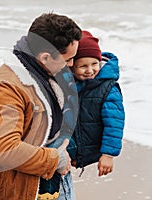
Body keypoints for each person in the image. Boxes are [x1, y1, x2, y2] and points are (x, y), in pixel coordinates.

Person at [0, 13, 82, 200]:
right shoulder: (7, 88)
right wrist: (56, 159)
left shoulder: (41, 69)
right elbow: (6, 150)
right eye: (67, 59)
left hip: (51, 180)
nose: (71, 65)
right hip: (21, 189)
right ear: (45, 57)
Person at [39, 30, 125, 199]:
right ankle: (49, 193)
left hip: (90, 144)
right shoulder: (64, 83)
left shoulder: (108, 87)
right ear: (71, 65)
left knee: (55, 159)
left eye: (95, 64)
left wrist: (108, 154)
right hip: (70, 143)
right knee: (52, 162)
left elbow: (114, 123)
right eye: (83, 66)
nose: (90, 70)